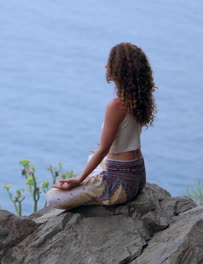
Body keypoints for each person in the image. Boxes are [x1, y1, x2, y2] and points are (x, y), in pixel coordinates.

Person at [45, 42, 157, 210]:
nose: (106, 66)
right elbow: (122, 139)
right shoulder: (141, 98)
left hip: (120, 184)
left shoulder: (116, 106)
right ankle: (97, 174)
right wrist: (104, 152)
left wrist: (79, 180)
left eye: (111, 63)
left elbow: (104, 149)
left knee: (52, 199)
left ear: (121, 70)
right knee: (94, 157)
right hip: (138, 176)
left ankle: (96, 184)